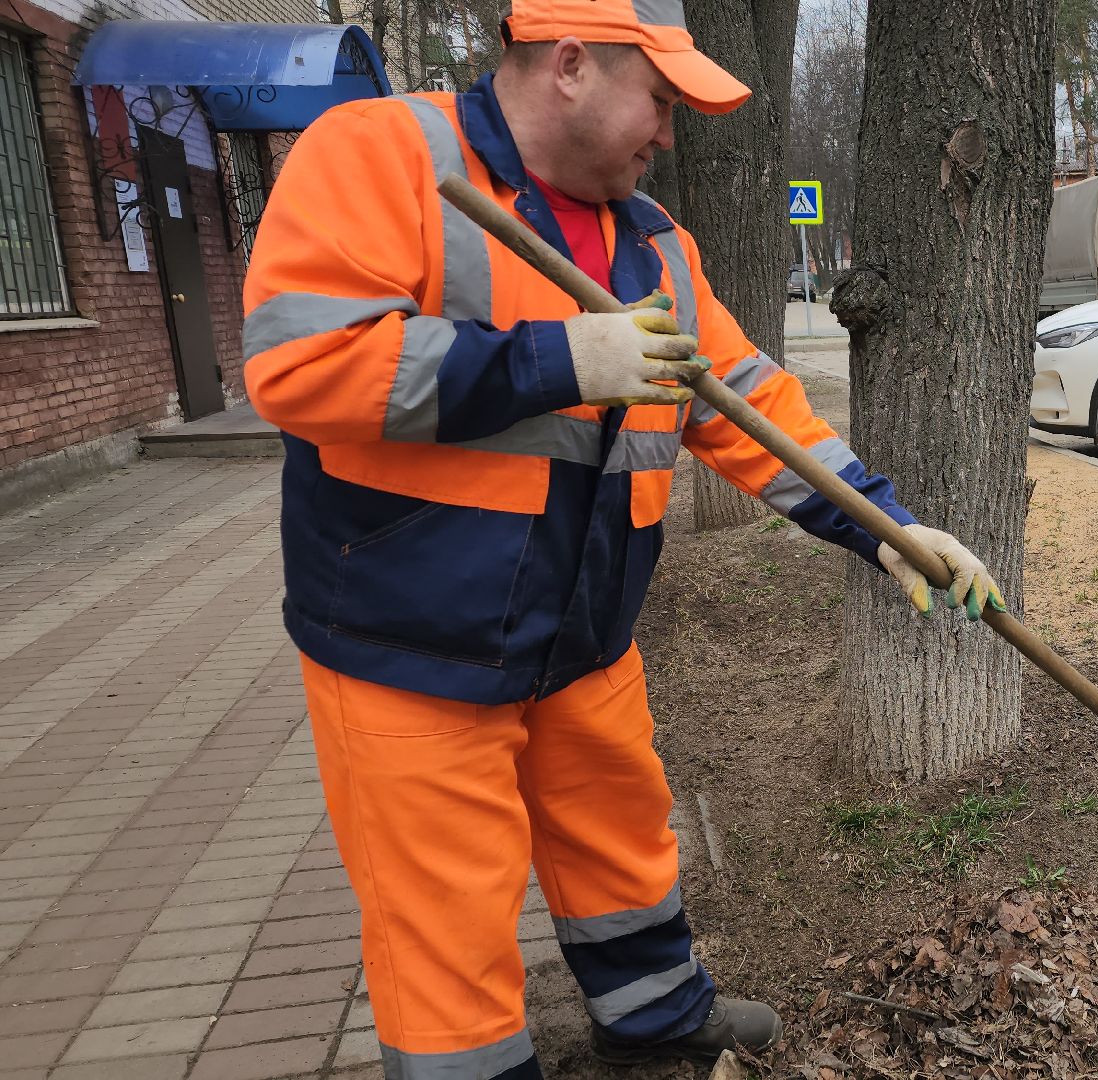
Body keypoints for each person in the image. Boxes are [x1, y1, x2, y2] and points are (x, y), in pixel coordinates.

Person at [241, 1, 1003, 1075]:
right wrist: (557, 361)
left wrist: (888, 527)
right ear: (568, 67)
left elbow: (751, 407)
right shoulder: (380, 154)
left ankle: (653, 1018)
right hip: (412, 647)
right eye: (660, 98)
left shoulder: (656, 249)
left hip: (583, 636)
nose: (669, 131)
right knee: (446, 917)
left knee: (623, 845)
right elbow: (302, 364)